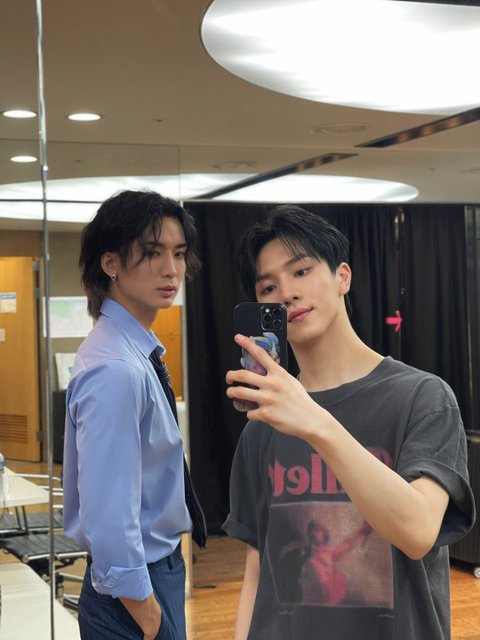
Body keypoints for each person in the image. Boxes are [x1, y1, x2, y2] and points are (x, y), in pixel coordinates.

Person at [224, 204, 475, 640]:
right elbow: (258, 569)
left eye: (301, 271)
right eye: (269, 286)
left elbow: (417, 532)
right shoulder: (263, 423)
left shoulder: (423, 397)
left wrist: (316, 423)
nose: (287, 293)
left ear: (342, 276)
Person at [63, 190, 202, 640]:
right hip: (134, 592)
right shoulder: (117, 368)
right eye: (152, 252)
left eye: (178, 253)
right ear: (110, 263)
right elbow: (107, 512)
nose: (171, 269)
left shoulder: (129, 352)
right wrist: (147, 611)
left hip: (148, 577)